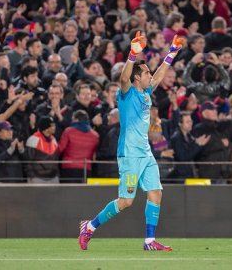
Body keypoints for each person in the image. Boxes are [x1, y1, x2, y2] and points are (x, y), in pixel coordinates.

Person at [78, 32, 185, 251]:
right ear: (138, 77)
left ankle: (149, 241)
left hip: (145, 152)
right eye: (146, 72)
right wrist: (132, 55)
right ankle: (89, 226)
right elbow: (123, 78)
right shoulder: (126, 93)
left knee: (156, 192)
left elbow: (160, 74)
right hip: (129, 154)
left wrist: (172, 53)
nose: (150, 75)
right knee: (126, 202)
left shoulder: (146, 92)